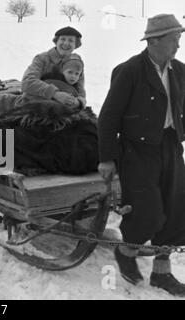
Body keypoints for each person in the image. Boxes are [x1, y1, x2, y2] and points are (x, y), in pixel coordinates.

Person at [97, 14, 185, 297]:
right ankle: (126, 251)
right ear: (155, 41)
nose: (178, 45)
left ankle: (161, 274)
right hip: (137, 151)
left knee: (175, 211)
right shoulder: (131, 70)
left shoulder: (180, 71)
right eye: (175, 39)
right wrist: (107, 158)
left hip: (171, 146)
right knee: (148, 211)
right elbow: (108, 117)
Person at [18, 26, 86, 109]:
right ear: (56, 41)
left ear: (76, 45)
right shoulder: (42, 58)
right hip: (36, 104)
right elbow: (27, 82)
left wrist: (79, 102)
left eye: (71, 40)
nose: (66, 43)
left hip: (64, 108)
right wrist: (55, 93)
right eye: (63, 39)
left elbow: (81, 91)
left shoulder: (77, 61)